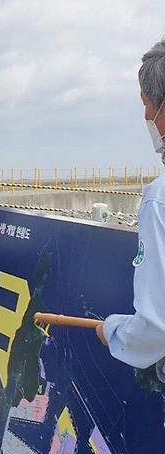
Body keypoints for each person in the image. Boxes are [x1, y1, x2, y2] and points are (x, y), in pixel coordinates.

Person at [98, 39, 165, 374]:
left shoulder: (159, 200)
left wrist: (114, 332)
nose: (146, 116)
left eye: (147, 103)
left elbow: (157, 323)